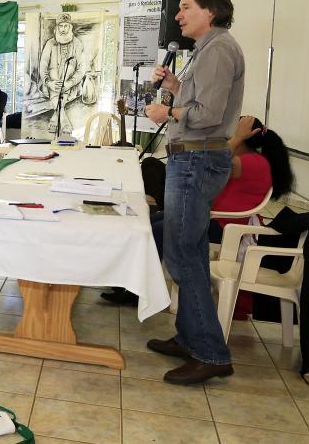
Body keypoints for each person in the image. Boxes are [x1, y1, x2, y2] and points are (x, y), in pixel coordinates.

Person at [143, 0, 245, 385]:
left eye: (186, 7)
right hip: (195, 157)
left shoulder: (218, 49)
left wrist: (166, 112)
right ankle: (190, 337)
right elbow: (201, 100)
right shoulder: (209, 48)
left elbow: (207, 114)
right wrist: (174, 88)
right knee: (190, 252)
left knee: (183, 254)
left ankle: (211, 353)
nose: (179, 15)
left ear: (211, 11)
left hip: (198, 159)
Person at [104, 116, 294, 309]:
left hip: (223, 227)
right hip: (211, 219)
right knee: (151, 223)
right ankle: (131, 283)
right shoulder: (248, 159)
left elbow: (210, 163)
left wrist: (235, 138)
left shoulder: (253, 162)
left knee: (159, 230)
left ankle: (137, 291)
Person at [39, 13, 86, 135]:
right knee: (54, 73)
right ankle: (63, 119)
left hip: (70, 84)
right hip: (52, 84)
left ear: (70, 27)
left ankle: (56, 116)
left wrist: (69, 83)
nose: (63, 29)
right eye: (61, 26)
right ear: (57, 28)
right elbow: (42, 67)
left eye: (66, 26)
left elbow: (82, 69)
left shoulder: (77, 44)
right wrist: (49, 83)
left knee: (70, 67)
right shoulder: (50, 44)